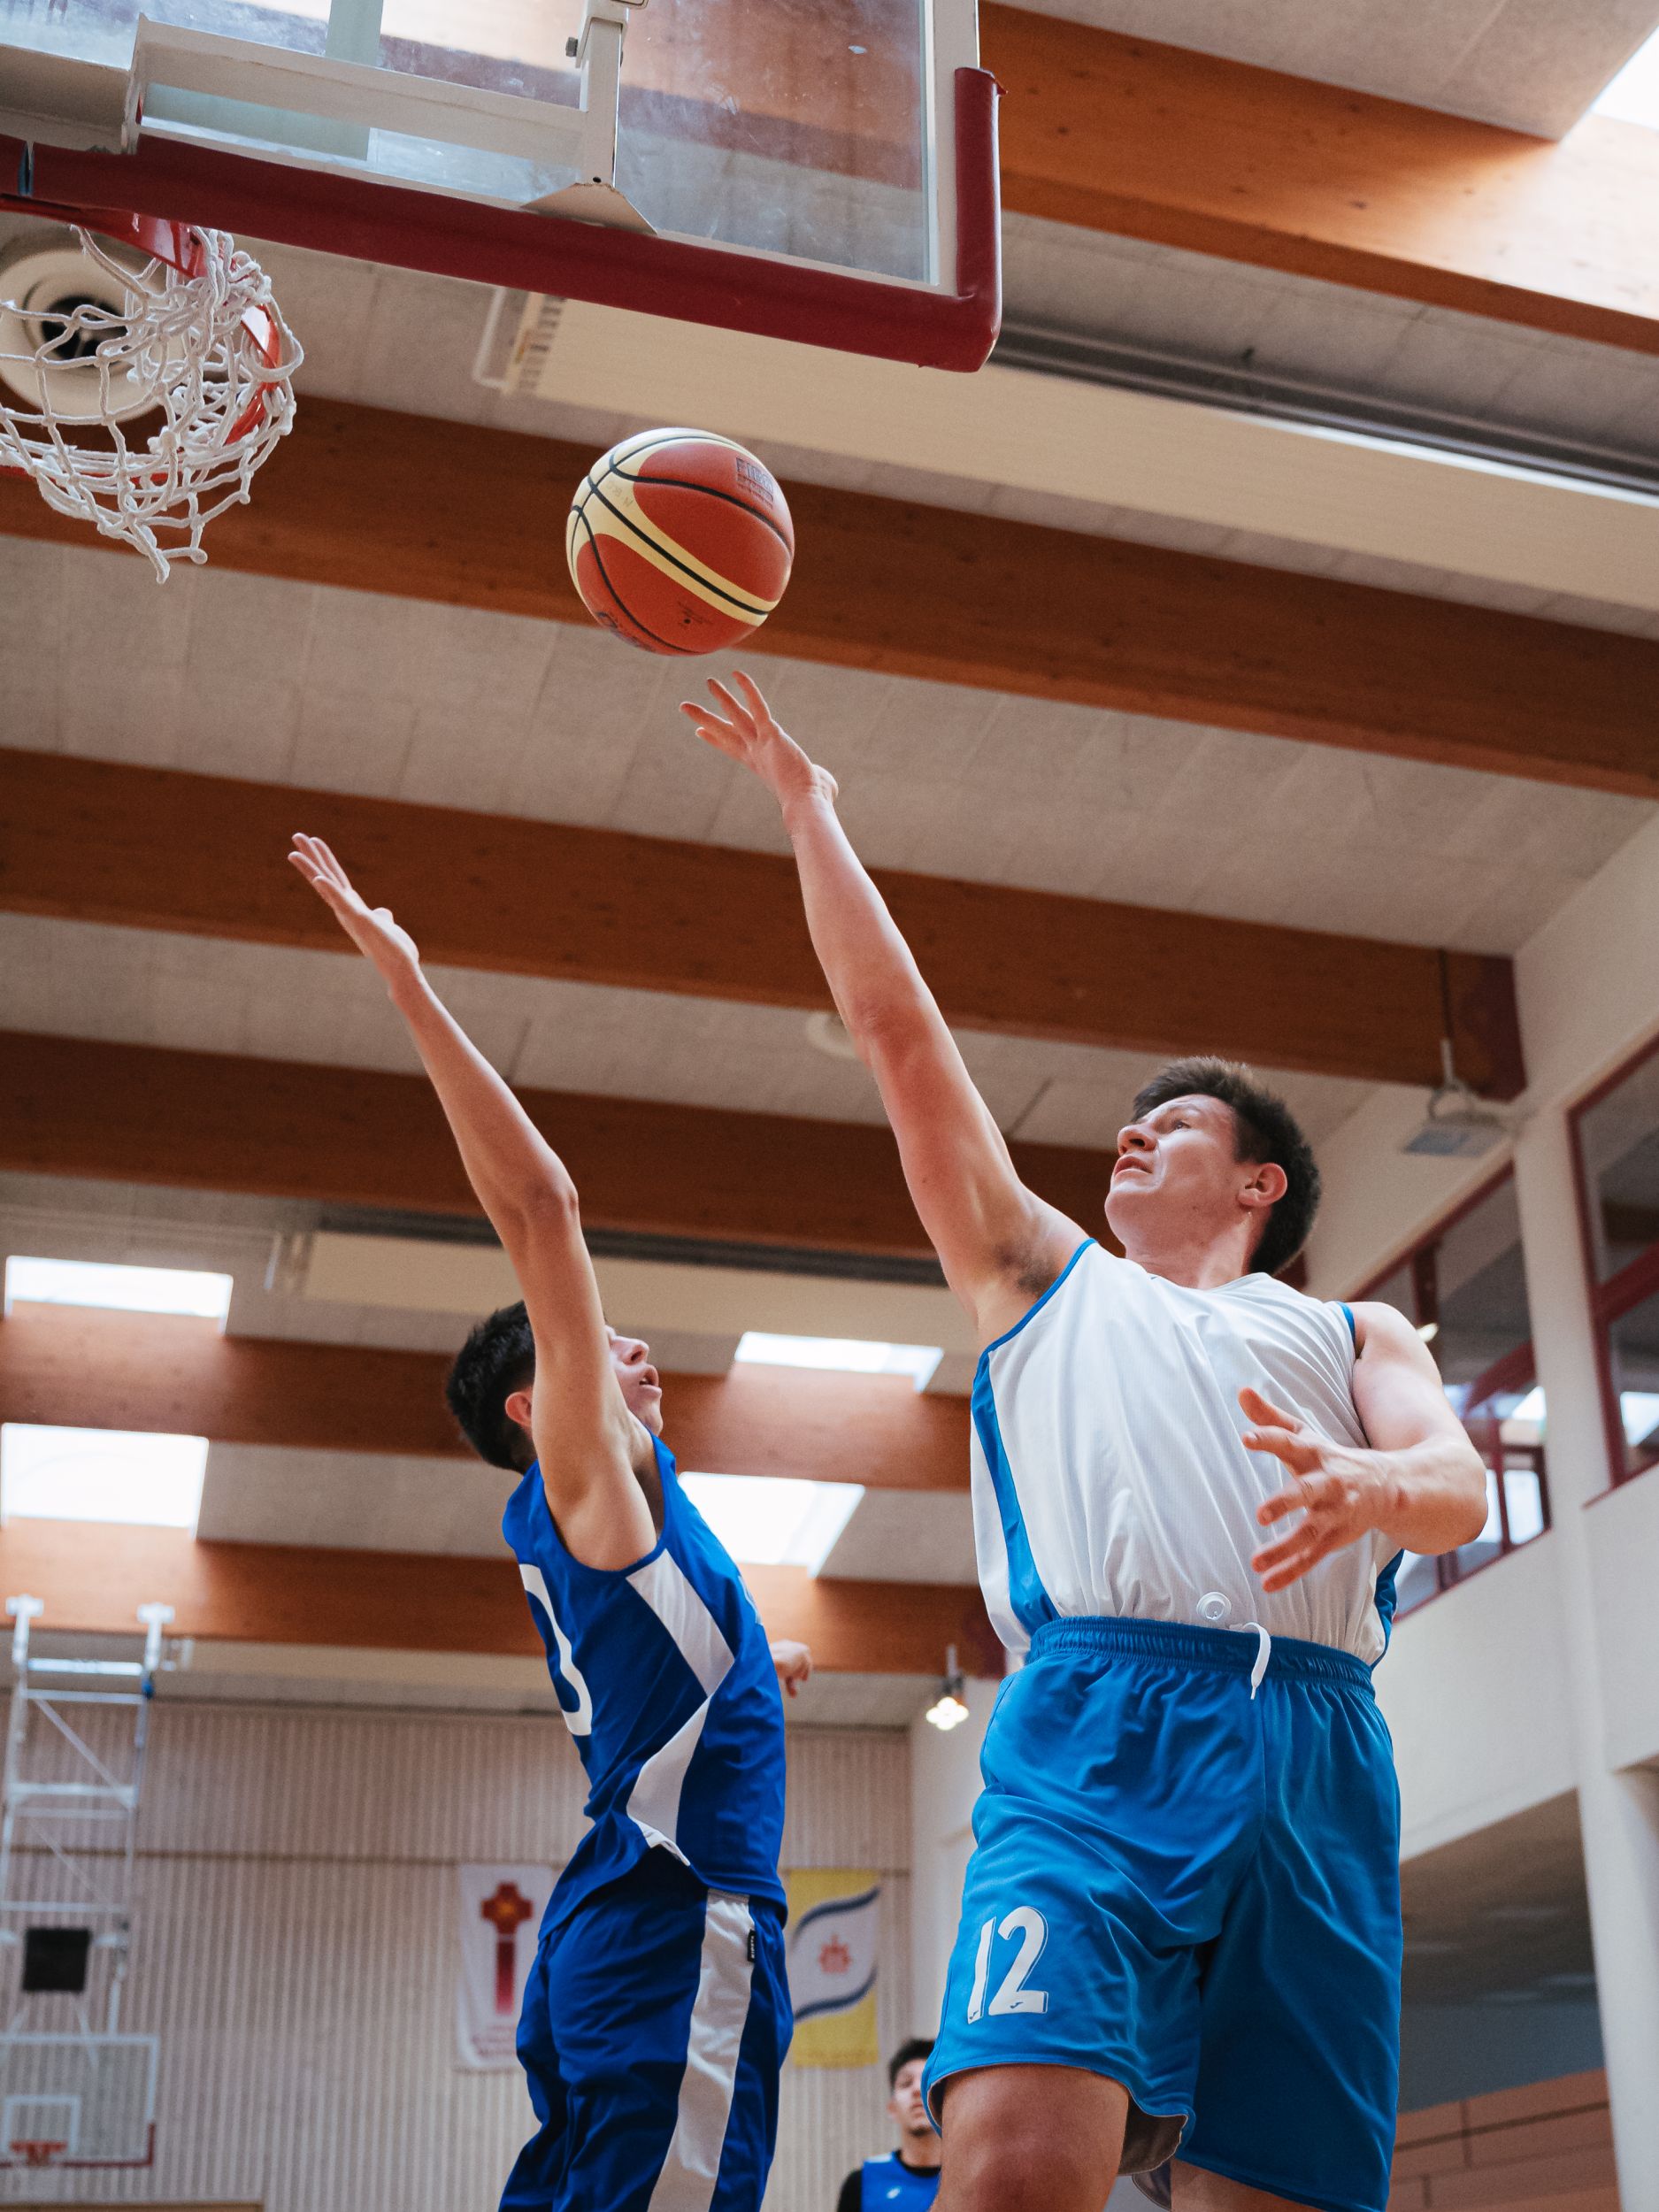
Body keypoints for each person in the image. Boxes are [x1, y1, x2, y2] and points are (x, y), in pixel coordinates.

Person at [679, 675, 1489, 2212]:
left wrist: (1371, 1484)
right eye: (1129, 1120)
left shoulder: (1353, 1333)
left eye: (1171, 1124)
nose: (1132, 1132)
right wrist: (808, 807)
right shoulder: (1045, 1282)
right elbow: (897, 1036)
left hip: (1320, 1748)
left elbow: (1454, 1491)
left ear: (1257, 1187)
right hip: (1102, 1724)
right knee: (1011, 2173)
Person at [289, 833, 812, 2212]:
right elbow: (541, 1206)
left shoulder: (620, 1521)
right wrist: (408, 983)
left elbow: (672, 1679)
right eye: (594, 1343)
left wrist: (764, 1673)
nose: (628, 1350)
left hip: (613, 1921)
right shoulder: (582, 1480)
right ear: (537, 1406)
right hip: (673, 1914)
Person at [835, 2039, 943, 2212]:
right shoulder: (860, 2183)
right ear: (892, 2108)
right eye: (906, 2083)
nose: (917, 2090)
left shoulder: (972, 2179)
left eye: (927, 2081)